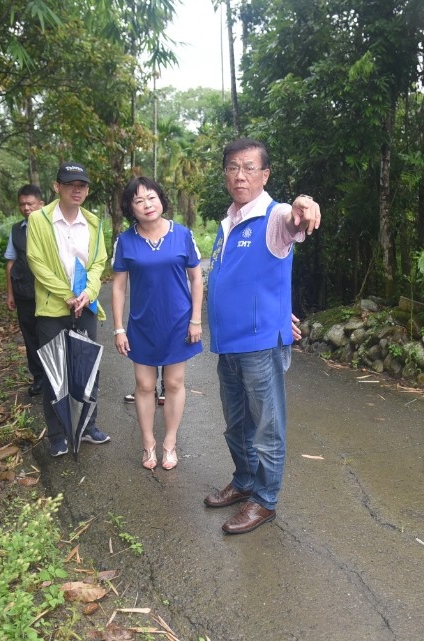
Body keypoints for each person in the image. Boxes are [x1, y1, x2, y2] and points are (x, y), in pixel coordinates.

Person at [202, 138, 321, 535]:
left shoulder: (273, 217)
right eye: (233, 167)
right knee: (236, 425)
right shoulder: (229, 220)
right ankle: (244, 482)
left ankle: (265, 501)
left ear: (265, 174)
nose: (240, 175)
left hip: (258, 346)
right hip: (228, 344)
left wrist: (303, 204)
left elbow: (293, 220)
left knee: (266, 428)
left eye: (250, 167)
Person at [112, 176, 203, 470]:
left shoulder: (183, 235)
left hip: (178, 323)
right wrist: (118, 328)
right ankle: (148, 444)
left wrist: (196, 320)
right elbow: (118, 287)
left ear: (161, 200)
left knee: (175, 383)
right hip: (143, 324)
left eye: (151, 197)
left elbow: (196, 278)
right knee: (144, 384)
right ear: (130, 208)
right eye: (138, 201)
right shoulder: (125, 241)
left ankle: (169, 444)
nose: (147, 205)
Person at [27, 162, 111, 457]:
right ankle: (58, 434)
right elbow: (36, 262)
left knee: (86, 368)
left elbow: (99, 262)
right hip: (53, 307)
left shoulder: (94, 222)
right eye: (70, 184)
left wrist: (87, 293)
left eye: (82, 185)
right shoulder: (39, 219)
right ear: (56, 187)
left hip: (85, 305)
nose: (77, 190)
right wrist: (68, 295)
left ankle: (88, 427)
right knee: (55, 371)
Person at [5, 184, 46, 396]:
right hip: (24, 293)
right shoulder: (16, 230)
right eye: (22, 204)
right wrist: (10, 293)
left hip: (49, 294)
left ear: (41, 204)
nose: (26, 208)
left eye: (30, 203)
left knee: (50, 334)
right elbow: (11, 262)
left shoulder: (52, 228)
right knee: (30, 337)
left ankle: (56, 377)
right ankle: (39, 377)